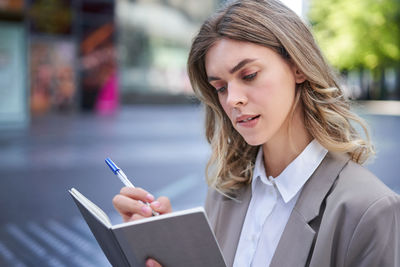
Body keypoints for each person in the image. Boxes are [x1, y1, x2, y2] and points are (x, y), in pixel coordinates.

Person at [112, 0, 400, 266]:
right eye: (220, 87)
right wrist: (175, 249)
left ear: (298, 66)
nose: (232, 99)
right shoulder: (226, 191)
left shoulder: (370, 209)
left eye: (249, 75)